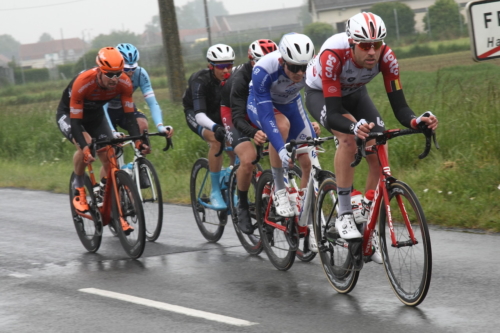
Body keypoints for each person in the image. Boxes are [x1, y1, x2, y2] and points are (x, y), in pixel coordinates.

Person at [304, 12, 438, 260]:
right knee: (348, 139)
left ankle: (365, 213)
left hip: (356, 93)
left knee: (377, 142)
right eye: (365, 46)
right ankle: (344, 213)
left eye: (377, 45)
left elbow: (400, 107)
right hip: (321, 94)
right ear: (352, 43)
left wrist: (416, 120)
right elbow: (334, 113)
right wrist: (353, 128)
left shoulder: (387, 57)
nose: (372, 52)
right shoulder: (333, 55)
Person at [56, 47, 149, 233]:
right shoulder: (83, 82)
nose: (115, 79)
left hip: (95, 116)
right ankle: (79, 190)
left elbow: (130, 117)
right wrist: (85, 148)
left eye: (118, 73)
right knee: (86, 143)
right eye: (110, 74)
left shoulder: (124, 83)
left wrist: (139, 141)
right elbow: (75, 123)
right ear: (99, 70)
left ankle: (111, 205)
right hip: (70, 116)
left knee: (109, 153)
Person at [247, 33, 319, 241]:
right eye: (294, 67)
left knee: (308, 161)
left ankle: (306, 219)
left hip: (291, 104)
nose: (300, 73)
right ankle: (279, 188)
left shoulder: (314, 68)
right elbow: (267, 114)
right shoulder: (264, 69)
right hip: (262, 105)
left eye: (304, 67)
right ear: (282, 61)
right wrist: (279, 147)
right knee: (282, 127)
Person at [220, 39, 278, 234]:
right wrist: (254, 133)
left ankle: (271, 195)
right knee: (248, 159)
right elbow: (237, 117)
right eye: (261, 62)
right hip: (233, 112)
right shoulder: (240, 79)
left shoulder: (277, 72)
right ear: (252, 61)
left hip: (258, 108)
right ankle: (242, 206)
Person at [183, 43, 235, 210]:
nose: (226, 70)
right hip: (197, 113)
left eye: (229, 65)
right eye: (221, 66)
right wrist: (215, 128)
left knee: (237, 142)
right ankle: (214, 191)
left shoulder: (233, 80)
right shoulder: (200, 80)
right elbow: (199, 115)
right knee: (216, 139)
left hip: (219, 112)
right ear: (210, 66)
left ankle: (233, 183)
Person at [104, 43, 174, 139]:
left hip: (125, 106)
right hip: (105, 109)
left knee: (142, 127)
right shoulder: (108, 76)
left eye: (133, 68)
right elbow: (102, 108)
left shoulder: (140, 74)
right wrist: (112, 131)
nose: (130, 72)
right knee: (110, 149)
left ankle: (141, 153)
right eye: (126, 69)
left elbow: (152, 103)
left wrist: (160, 126)